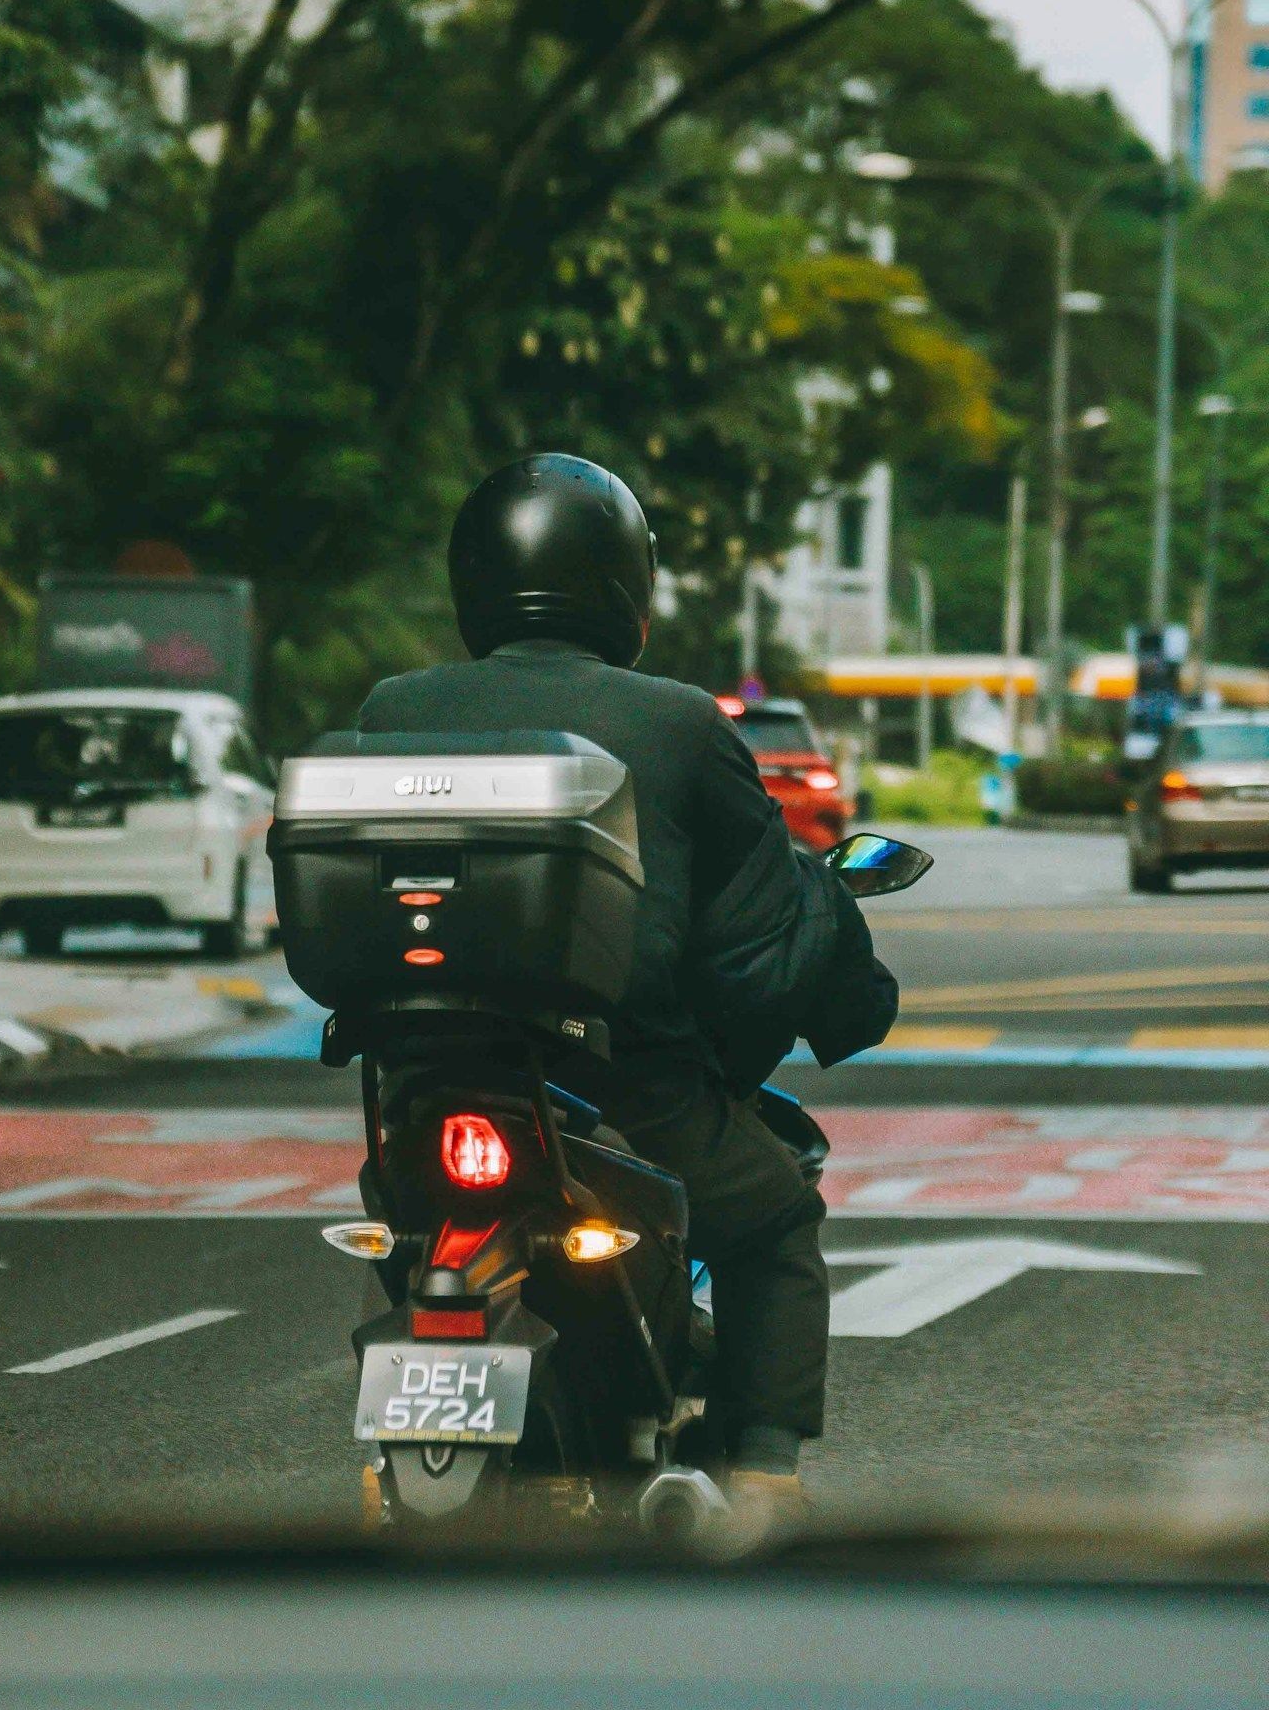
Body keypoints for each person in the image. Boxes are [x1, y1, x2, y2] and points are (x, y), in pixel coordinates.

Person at [355, 452, 897, 1517]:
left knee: (405, 1224)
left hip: (422, 1095)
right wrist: (841, 991)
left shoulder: (392, 706)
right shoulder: (682, 721)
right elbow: (758, 932)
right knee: (779, 1220)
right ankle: (764, 1474)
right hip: (624, 1097)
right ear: (621, 584)